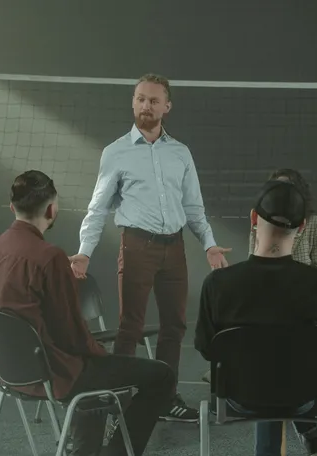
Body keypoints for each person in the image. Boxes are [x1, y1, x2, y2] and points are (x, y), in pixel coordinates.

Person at [0, 170, 175, 456]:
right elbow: (72, 336)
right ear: (52, 210)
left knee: (94, 370)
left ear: (12, 207)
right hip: (54, 374)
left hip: (11, 374)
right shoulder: (49, 257)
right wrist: (102, 352)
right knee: (159, 375)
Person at [70, 73, 231, 422]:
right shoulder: (115, 153)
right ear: (133, 103)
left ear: (167, 107)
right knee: (131, 325)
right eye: (141, 98)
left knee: (174, 326)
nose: (146, 105)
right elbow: (97, 208)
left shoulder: (180, 153)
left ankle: (164, 398)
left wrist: (210, 245)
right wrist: (85, 251)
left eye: (154, 100)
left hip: (174, 249)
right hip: (137, 246)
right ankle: (121, 398)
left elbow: (194, 208)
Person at [194, 180, 317, 456]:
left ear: (253, 218)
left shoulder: (218, 284)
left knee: (260, 371)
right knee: (282, 370)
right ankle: (292, 453)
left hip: (239, 398)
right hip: (305, 398)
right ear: (303, 226)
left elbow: (208, 347)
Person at [249, 169, 317, 275]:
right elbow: (252, 260)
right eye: (278, 187)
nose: (282, 192)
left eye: (287, 187)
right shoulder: (261, 220)